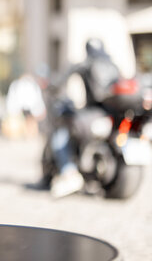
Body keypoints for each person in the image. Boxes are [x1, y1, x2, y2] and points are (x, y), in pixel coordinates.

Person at [48, 38, 120, 197]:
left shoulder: (85, 64)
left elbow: (61, 81)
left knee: (62, 132)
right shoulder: (114, 66)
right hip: (112, 115)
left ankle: (69, 172)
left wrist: (54, 86)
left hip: (93, 114)